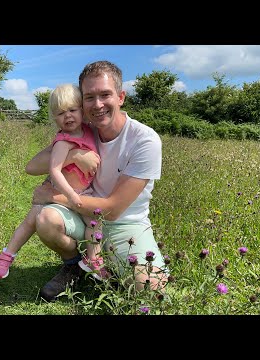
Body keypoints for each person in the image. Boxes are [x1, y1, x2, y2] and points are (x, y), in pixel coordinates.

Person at [26, 60, 168, 302]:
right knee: (46, 220)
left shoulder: (144, 140)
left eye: (105, 95)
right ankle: (74, 265)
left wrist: (53, 196)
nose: (98, 104)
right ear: (82, 103)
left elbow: (112, 211)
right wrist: (74, 155)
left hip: (126, 225)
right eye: (89, 97)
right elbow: (33, 166)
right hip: (85, 218)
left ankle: (107, 262)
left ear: (121, 97)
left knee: (152, 289)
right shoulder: (84, 130)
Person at [0, 83, 107, 280]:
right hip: (61, 192)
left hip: (84, 192)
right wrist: (70, 195)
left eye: (72, 110)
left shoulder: (89, 131)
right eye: (61, 113)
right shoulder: (63, 141)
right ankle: (7, 255)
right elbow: (54, 170)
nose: (68, 116)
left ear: (82, 110)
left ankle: (92, 259)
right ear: (54, 118)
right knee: (31, 221)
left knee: (95, 223)